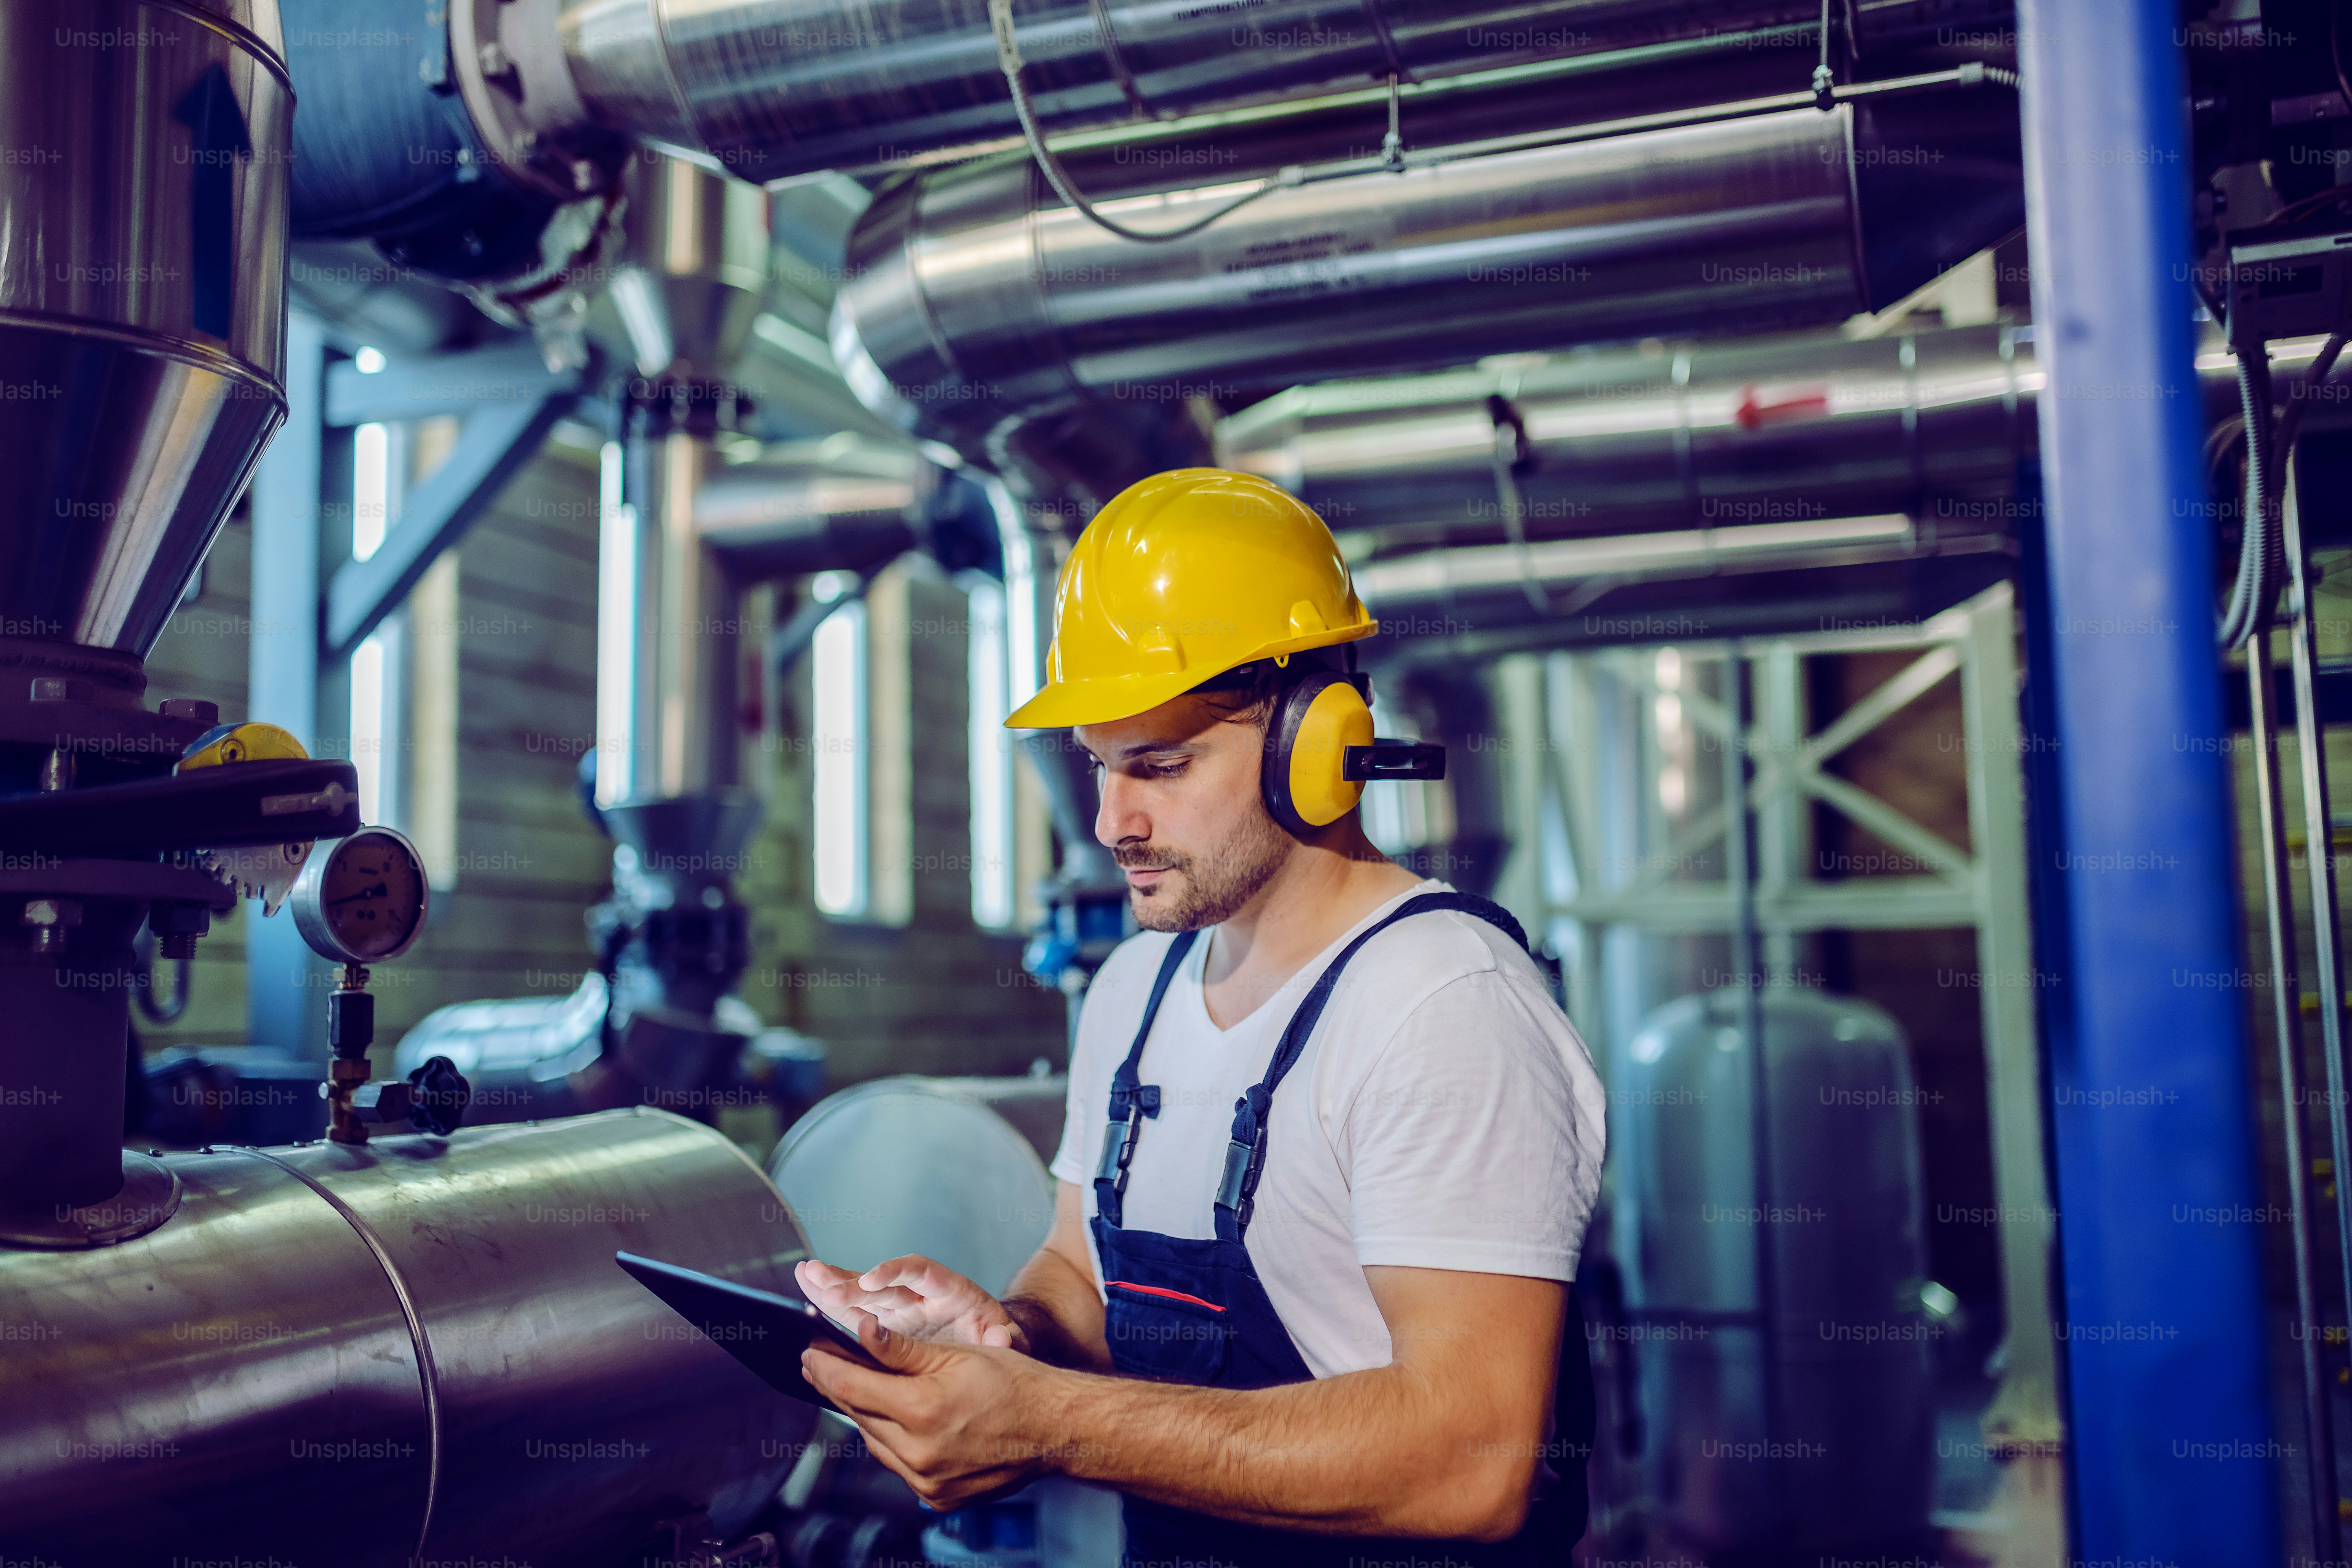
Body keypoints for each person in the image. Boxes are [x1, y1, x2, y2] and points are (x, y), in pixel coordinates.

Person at [795, 467, 1608, 1566]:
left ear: (1315, 746)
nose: (1109, 822)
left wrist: (1042, 1421)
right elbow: (1081, 1275)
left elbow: (1471, 1461)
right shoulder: (1134, 992)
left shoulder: (1441, 1004)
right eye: (1098, 767)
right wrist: (1006, 1339)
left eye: (1160, 766)